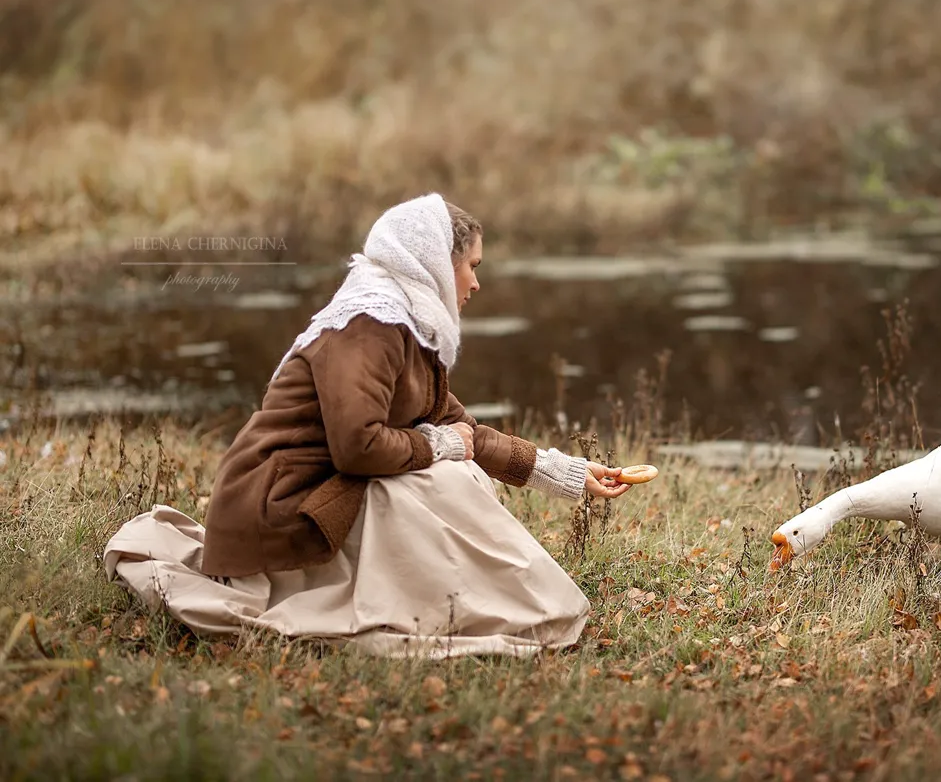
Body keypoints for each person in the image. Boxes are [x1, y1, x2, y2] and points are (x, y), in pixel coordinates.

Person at [104, 193, 633, 658]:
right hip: (278, 503)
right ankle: (461, 603)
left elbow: (461, 427)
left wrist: (565, 473)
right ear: (435, 262)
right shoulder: (369, 324)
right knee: (444, 476)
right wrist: (437, 446)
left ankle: (466, 600)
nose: (477, 280)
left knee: (454, 470)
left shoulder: (408, 322)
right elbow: (357, 449)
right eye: (470, 265)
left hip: (318, 492)